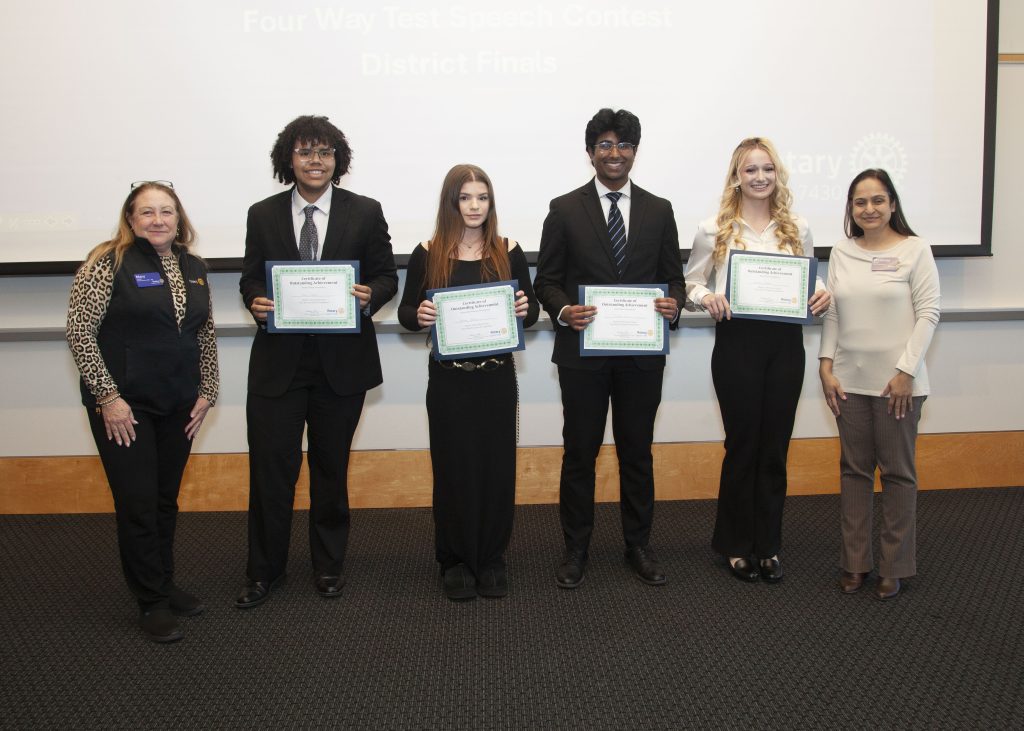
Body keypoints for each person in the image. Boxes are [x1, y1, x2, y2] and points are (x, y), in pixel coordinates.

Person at [236, 115, 398, 608]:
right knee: (271, 472)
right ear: (289, 159)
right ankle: (264, 572)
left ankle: (328, 567)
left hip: (340, 366)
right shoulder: (262, 214)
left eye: (324, 152)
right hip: (278, 366)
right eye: (305, 152)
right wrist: (257, 301)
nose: (315, 161)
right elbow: (250, 279)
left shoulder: (365, 212)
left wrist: (370, 296)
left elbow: (388, 276)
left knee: (331, 469)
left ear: (337, 160)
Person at [534, 108, 685, 589]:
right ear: (590, 153)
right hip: (583, 354)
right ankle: (575, 548)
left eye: (623, 145)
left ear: (635, 152)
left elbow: (675, 280)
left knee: (637, 452)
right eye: (604, 145)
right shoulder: (564, 208)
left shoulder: (659, 210)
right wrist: (563, 312)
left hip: (641, 355)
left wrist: (673, 306)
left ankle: (638, 545)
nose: (613, 154)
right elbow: (548, 281)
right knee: (579, 452)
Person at [66, 181, 219, 643]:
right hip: (124, 409)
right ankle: (150, 601)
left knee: (164, 501)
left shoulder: (193, 266)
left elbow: (205, 334)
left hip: (179, 405)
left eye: (166, 212)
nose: (158, 220)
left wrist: (208, 390)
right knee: (137, 504)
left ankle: (164, 582)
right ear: (130, 219)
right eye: (147, 212)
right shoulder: (107, 262)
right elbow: (79, 332)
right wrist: (108, 398)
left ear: (179, 218)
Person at [685, 137, 830, 584]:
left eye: (767, 168)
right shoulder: (714, 229)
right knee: (743, 445)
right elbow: (690, 282)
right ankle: (734, 544)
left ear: (777, 174)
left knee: (775, 448)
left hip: (786, 344)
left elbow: (812, 278)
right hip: (737, 343)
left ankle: (767, 545)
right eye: (751, 170)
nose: (760, 177)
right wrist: (707, 296)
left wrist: (821, 293)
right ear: (736, 176)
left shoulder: (797, 228)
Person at [398, 164, 538, 601]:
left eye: (482, 198)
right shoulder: (428, 250)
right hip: (449, 381)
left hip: (496, 378)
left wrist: (522, 309)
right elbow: (406, 314)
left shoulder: (508, 249)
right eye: (465, 198)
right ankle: (455, 560)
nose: (475, 206)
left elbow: (530, 314)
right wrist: (419, 316)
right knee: (453, 469)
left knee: (497, 468)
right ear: (451, 202)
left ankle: (492, 558)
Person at [819, 169, 940, 601]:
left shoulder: (915, 250)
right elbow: (832, 313)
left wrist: (907, 371)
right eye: (859, 202)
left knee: (897, 475)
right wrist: (825, 364)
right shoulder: (841, 251)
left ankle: (894, 566)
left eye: (877, 200)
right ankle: (855, 564)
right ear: (851, 209)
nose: (869, 209)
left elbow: (928, 313)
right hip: (848, 383)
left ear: (892, 204)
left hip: (897, 386)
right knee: (854, 473)